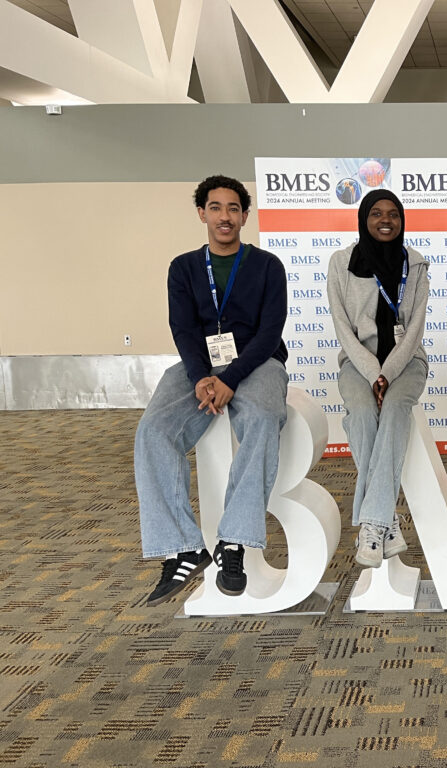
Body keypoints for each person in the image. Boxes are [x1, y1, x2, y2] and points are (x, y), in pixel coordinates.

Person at [136, 175, 288, 606]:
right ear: (202, 213)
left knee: (261, 418)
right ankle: (184, 545)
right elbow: (182, 328)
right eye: (216, 207)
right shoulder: (183, 267)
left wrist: (229, 378)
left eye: (234, 208)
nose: (225, 216)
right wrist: (202, 377)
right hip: (199, 367)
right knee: (152, 430)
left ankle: (234, 543)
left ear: (245, 215)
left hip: (258, 363)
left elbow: (269, 332)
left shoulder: (267, 266)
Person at [327, 190, 428, 568]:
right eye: (376, 213)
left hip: (406, 363)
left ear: (402, 221)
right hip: (357, 363)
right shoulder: (341, 264)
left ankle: (372, 525)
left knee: (397, 409)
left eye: (393, 214)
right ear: (364, 219)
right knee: (362, 413)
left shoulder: (415, 265)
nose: (385, 220)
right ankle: (385, 522)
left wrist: (387, 374)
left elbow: (414, 329)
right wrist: (372, 373)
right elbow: (343, 328)